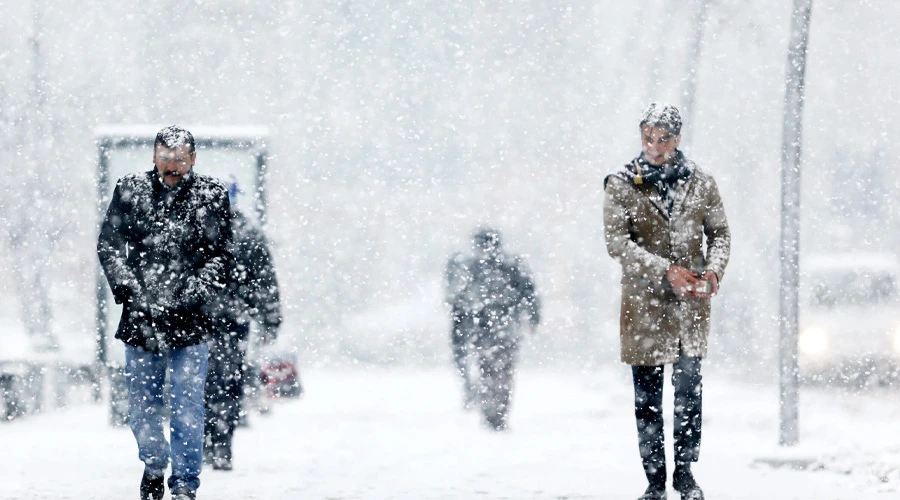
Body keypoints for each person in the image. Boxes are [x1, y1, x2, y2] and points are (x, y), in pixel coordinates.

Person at [98, 125, 233, 500]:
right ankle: (155, 463)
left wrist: (193, 291)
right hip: (141, 318)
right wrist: (129, 289)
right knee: (143, 406)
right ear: (153, 156)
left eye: (179, 159)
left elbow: (221, 255)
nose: (172, 166)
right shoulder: (130, 189)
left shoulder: (211, 194)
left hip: (192, 318)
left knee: (188, 404)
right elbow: (109, 245)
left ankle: (186, 483)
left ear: (193, 158)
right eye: (165, 158)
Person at [603, 103, 730, 500]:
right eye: (648, 139)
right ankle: (655, 480)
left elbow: (720, 233)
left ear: (678, 139)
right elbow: (617, 244)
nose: (655, 148)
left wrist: (712, 271)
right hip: (643, 307)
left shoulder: (701, 183)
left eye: (663, 140)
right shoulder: (622, 183)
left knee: (689, 390)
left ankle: (686, 474)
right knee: (648, 398)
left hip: (690, 306)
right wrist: (664, 269)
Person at [204, 181, 282, 471]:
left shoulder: (196, 229)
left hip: (200, 321)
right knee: (228, 382)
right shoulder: (248, 233)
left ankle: (204, 441)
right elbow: (265, 281)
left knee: (199, 382)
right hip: (233, 322)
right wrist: (270, 319)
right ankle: (222, 441)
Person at [444, 227, 541, 430]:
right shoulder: (511, 264)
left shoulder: (473, 267)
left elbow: (459, 299)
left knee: (489, 370)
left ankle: (492, 412)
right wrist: (532, 318)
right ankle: (497, 412)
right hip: (505, 328)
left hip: (486, 329)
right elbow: (529, 292)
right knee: (502, 373)